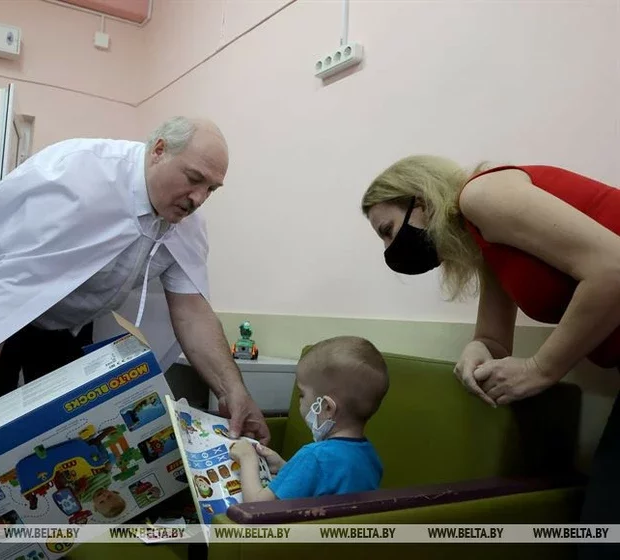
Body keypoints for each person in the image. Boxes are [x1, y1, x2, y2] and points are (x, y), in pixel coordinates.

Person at [0, 117, 271, 465]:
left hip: (68, 321)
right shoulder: (78, 178)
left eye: (211, 189)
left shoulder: (185, 221)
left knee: (65, 427)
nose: (198, 198)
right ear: (159, 150)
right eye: (194, 179)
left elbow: (192, 311)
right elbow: (8, 283)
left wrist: (232, 392)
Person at [361, 156, 620, 559]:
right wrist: (476, 349)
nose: (390, 249)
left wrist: (540, 369)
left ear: (422, 202)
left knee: (603, 538)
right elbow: (493, 340)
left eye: (388, 230)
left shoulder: (483, 195)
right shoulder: (486, 242)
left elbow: (613, 269)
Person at [230, 336, 387, 502]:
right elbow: (325, 486)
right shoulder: (370, 458)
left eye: (302, 394)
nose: (299, 400)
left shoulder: (313, 456)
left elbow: (257, 505)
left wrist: (248, 458)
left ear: (327, 407)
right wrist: (285, 468)